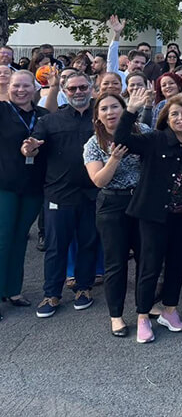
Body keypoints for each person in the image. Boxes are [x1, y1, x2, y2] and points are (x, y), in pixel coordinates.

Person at [113, 95, 182, 343]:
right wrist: (130, 110)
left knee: (176, 264)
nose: (180, 119)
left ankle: (170, 309)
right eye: (174, 115)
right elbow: (122, 140)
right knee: (150, 266)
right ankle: (142, 316)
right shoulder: (156, 140)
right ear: (166, 119)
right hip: (153, 214)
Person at [23, 71, 98, 318]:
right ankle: (51, 293)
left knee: (88, 243)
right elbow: (33, 147)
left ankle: (84, 288)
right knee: (57, 247)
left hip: (92, 193)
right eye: (73, 89)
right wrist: (29, 149)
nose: (78, 92)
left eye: (83, 87)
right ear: (65, 91)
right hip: (58, 193)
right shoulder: (50, 121)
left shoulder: (101, 117)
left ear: (91, 87)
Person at [84, 91, 149, 336]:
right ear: (98, 117)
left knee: (147, 259)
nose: (110, 112)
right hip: (112, 205)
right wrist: (113, 159)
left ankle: (146, 306)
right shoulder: (93, 144)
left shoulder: (141, 130)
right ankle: (116, 316)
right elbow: (98, 181)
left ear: (125, 109)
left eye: (115, 107)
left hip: (142, 203)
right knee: (116, 263)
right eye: (104, 109)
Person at [0, 70, 48, 320]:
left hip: (32, 187)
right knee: (3, 237)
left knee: (19, 237)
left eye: (26, 86)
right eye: (16, 85)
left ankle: (13, 290)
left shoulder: (43, 116)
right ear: (8, 87)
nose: (21, 90)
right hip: (4, 185)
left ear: (35, 88)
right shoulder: (3, 111)